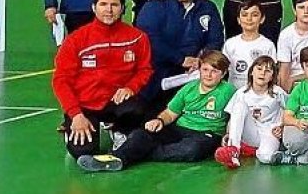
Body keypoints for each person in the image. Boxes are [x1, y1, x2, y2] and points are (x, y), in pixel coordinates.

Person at [77, 51, 235, 172]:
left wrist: (230, 136)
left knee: (192, 150)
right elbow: (171, 113)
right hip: (180, 127)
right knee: (142, 133)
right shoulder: (188, 88)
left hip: (207, 133)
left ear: (223, 74)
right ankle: (115, 159)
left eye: (214, 71)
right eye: (205, 69)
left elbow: (235, 116)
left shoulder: (229, 91)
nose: (208, 74)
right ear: (199, 70)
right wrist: (159, 121)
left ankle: (140, 153)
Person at [53, 0, 152, 158]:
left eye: (114, 5)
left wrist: (130, 87)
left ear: (122, 8)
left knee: (137, 109)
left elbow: (145, 70)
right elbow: (61, 80)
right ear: (94, 7)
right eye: (103, 4)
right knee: (83, 153)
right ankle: (75, 130)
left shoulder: (137, 38)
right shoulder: (75, 40)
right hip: (85, 105)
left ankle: (119, 130)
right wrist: (75, 114)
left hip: (116, 102)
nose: (109, 10)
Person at [134, 0, 224, 106]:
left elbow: (216, 39)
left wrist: (201, 61)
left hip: (195, 73)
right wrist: (180, 59)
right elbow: (149, 39)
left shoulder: (208, 7)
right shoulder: (155, 5)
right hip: (158, 76)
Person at [216, 55, 287, 168]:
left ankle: (251, 151)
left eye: (267, 71)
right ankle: (233, 151)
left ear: (272, 76)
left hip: (269, 132)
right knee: (239, 105)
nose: (262, 73)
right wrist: (229, 134)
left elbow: (291, 111)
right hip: (249, 131)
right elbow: (233, 117)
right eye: (259, 69)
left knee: (266, 158)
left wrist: (282, 126)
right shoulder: (241, 92)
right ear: (251, 72)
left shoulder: (278, 92)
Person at [221, 0, 278, 89]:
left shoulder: (268, 45)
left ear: (262, 19)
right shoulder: (230, 44)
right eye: (244, 15)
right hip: (234, 93)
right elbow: (223, 71)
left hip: (259, 93)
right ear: (238, 20)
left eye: (254, 15)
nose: (249, 19)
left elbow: (272, 73)